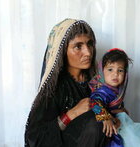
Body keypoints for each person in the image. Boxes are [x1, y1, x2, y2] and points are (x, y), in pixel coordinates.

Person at [24, 18, 107, 147]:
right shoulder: (53, 89)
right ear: (62, 51)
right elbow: (35, 138)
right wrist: (71, 114)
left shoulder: (97, 83)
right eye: (78, 46)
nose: (88, 52)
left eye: (89, 44)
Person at [89, 48, 140, 147]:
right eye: (110, 69)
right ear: (101, 71)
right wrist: (105, 118)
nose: (115, 74)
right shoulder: (102, 91)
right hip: (111, 125)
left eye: (120, 70)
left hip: (119, 122)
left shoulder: (117, 91)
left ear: (125, 74)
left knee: (137, 135)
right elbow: (94, 102)